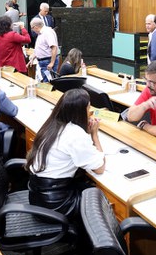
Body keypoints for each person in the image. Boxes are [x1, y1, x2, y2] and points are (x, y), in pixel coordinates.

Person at [26, 88, 104, 220]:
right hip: (56, 205)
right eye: (88, 108)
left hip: (37, 196)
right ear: (80, 112)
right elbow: (100, 168)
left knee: (86, 185)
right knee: (99, 199)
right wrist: (94, 135)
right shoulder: (75, 134)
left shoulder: (52, 125)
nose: (90, 112)